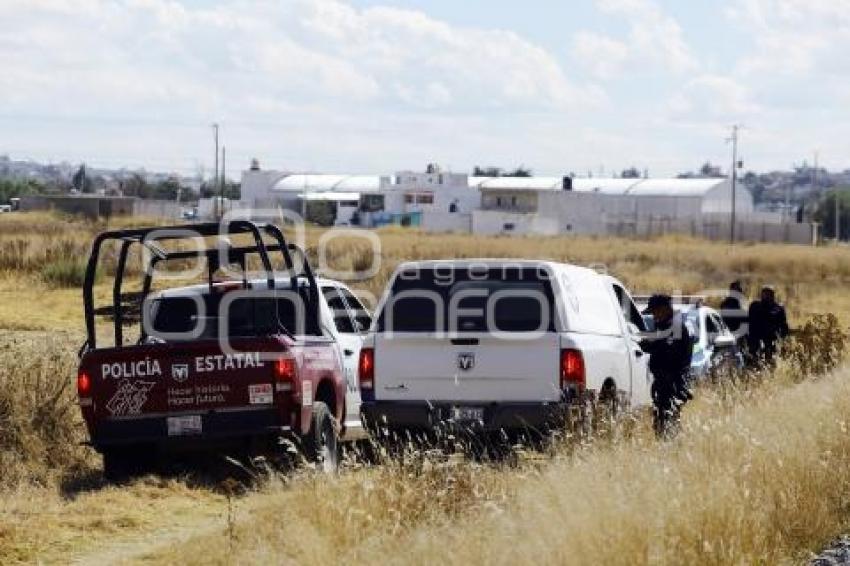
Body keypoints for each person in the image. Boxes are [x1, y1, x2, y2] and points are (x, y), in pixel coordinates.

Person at [641, 294, 694, 437]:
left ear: (664, 309)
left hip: (672, 383)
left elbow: (671, 355)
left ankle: (670, 448)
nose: (653, 316)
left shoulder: (675, 328)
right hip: (663, 382)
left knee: (667, 422)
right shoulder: (664, 327)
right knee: (662, 422)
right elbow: (650, 345)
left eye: (654, 311)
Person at [747, 286, 790, 365]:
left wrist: (783, 337)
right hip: (756, 338)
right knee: (754, 359)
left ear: (772, 295)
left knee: (769, 360)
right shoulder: (755, 306)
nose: (766, 296)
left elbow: (783, 325)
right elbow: (749, 321)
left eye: (768, 294)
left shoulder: (777, 308)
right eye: (764, 294)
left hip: (770, 339)